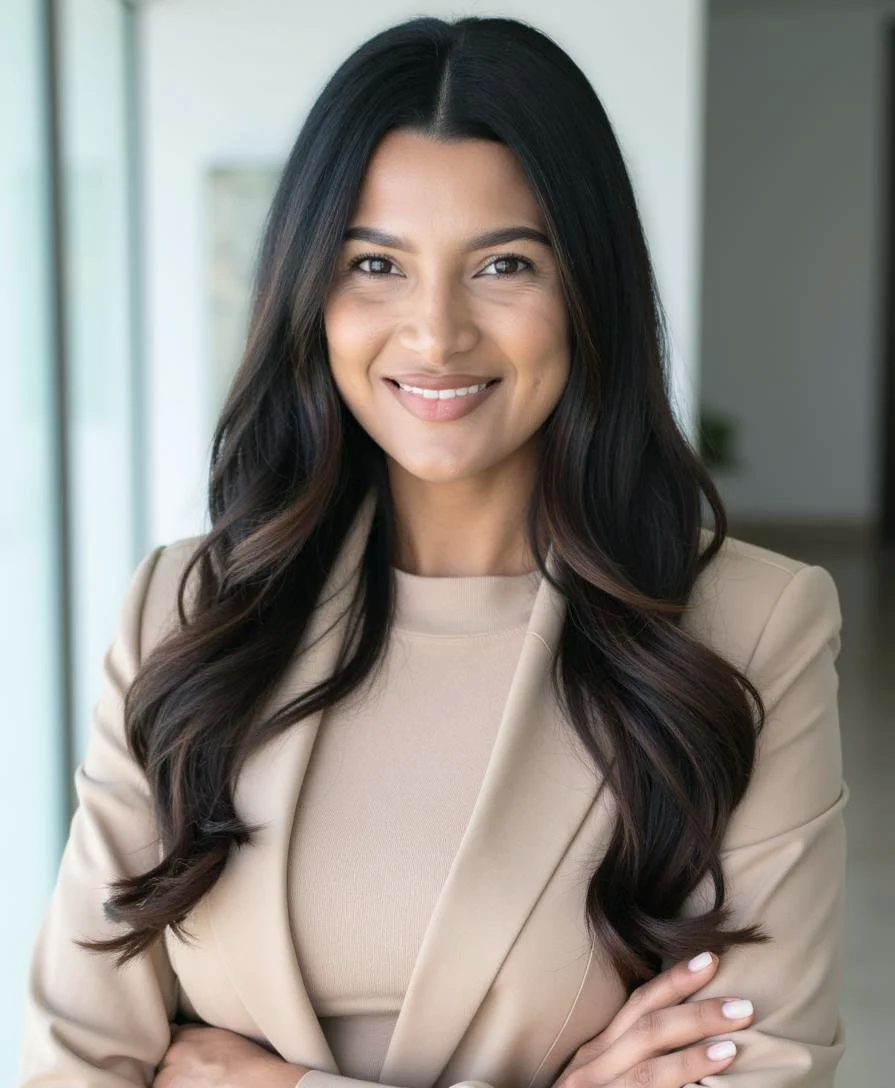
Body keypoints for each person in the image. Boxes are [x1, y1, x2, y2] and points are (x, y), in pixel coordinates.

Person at [18, 14, 847, 1088]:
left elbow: (764, 1065)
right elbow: (70, 1065)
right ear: (310, 293)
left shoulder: (751, 626)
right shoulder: (184, 608)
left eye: (503, 262)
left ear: (588, 289)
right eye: (376, 264)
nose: (436, 333)